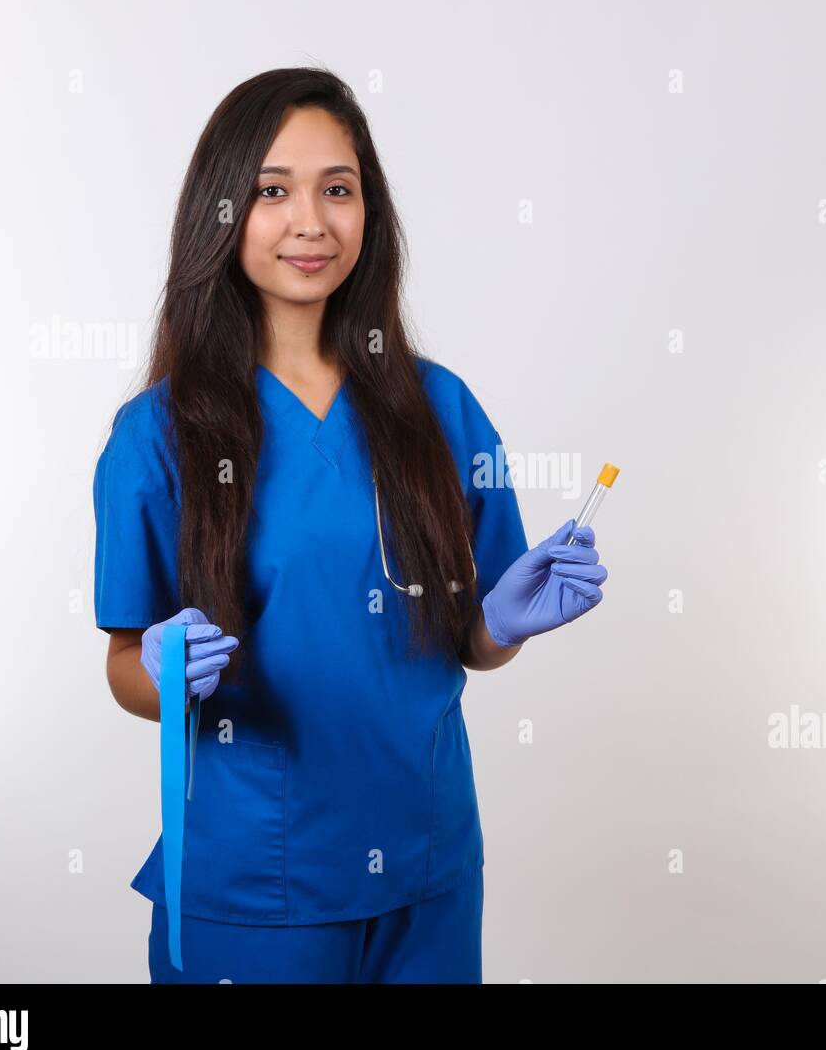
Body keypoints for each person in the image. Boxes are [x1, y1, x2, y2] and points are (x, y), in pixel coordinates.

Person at [92, 67, 609, 983]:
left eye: (339, 189)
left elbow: (472, 642)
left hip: (429, 866)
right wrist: (164, 674)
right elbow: (127, 669)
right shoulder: (159, 435)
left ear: (370, 212)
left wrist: (505, 623)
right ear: (221, 212)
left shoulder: (439, 409)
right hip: (257, 884)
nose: (311, 222)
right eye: (272, 191)